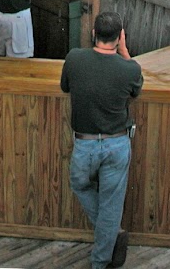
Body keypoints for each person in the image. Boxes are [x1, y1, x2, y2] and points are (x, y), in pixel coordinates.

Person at [60, 13, 143, 269]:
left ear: (93, 33)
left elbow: (65, 88)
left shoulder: (74, 58)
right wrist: (125, 52)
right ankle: (106, 246)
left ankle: (105, 247)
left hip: (84, 143)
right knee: (110, 203)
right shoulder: (130, 68)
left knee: (80, 185)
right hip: (117, 143)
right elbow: (136, 89)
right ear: (120, 37)